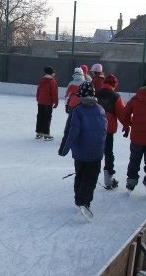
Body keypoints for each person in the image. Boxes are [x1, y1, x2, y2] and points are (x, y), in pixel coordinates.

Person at [58, 81, 107, 220]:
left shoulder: (77, 111)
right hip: (96, 152)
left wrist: (63, 150)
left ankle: (79, 200)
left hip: (80, 153)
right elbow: (104, 131)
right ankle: (83, 201)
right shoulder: (101, 110)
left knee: (80, 175)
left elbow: (71, 133)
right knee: (90, 179)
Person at [95, 74, 128, 189]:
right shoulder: (115, 96)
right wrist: (126, 125)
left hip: (94, 128)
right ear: (114, 84)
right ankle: (108, 179)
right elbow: (122, 114)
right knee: (108, 153)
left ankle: (89, 176)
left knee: (94, 151)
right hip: (108, 129)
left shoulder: (96, 94)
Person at [35, 66, 58, 140]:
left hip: (41, 101)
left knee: (40, 116)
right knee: (47, 117)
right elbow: (54, 93)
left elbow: (38, 91)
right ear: (52, 73)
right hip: (48, 102)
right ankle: (46, 133)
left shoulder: (42, 80)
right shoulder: (52, 81)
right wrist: (56, 102)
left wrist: (38, 99)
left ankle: (39, 132)